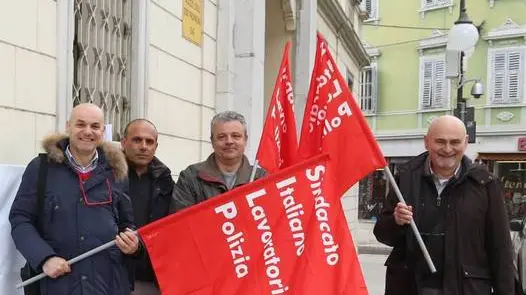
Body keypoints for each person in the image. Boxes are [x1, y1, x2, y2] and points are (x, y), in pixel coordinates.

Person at [374, 115, 515, 295]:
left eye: (455, 142)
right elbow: (382, 234)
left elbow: (501, 249)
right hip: (410, 286)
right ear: (426, 142)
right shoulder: (406, 177)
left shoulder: (485, 184)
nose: (447, 149)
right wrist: (396, 221)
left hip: (466, 288)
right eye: (440, 141)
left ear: (465, 143)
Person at [10, 103, 139, 295]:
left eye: (95, 126)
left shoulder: (116, 172)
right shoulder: (41, 168)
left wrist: (133, 245)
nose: (88, 132)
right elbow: (21, 219)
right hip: (57, 285)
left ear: (102, 132)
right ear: (68, 126)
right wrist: (44, 258)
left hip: (108, 284)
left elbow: (127, 224)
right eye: (80, 124)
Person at [171, 111, 265, 212]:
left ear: (245, 139)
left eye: (236, 136)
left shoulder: (261, 179)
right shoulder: (191, 177)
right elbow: (181, 223)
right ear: (212, 141)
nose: (229, 141)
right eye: (221, 137)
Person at [121, 119, 174, 295]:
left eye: (149, 142)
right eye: (137, 140)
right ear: (123, 142)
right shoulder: (107, 177)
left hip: (151, 278)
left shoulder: (166, 181)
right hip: (114, 274)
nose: (143, 146)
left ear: (155, 146)